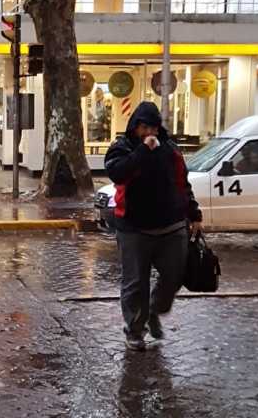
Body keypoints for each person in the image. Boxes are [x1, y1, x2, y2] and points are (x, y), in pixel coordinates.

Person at [104, 101, 202, 352]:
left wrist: (194, 213)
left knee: (174, 275)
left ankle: (155, 309)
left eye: (154, 128)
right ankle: (135, 331)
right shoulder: (122, 148)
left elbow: (183, 183)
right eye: (144, 127)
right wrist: (142, 152)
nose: (149, 133)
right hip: (134, 229)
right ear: (135, 127)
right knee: (135, 283)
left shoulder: (170, 150)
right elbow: (118, 173)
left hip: (171, 227)